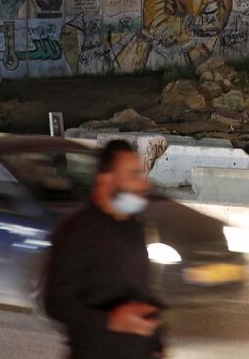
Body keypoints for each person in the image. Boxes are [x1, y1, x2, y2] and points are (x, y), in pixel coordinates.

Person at [43, 140, 164, 359]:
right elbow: (57, 303)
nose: (142, 184)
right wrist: (111, 320)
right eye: (133, 176)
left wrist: (156, 344)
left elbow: (142, 291)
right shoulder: (75, 232)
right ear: (106, 180)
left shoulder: (134, 228)